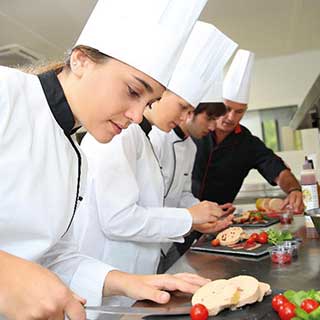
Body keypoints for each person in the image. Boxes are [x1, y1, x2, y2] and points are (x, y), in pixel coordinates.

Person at [0, 1, 210, 319]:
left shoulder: (76, 158)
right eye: (132, 91)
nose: (137, 115)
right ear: (81, 60)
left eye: (149, 101)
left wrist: (130, 282)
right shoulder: (6, 93)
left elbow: (55, 255)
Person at [73, 21, 237, 306]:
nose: (186, 118)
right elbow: (118, 220)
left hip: (138, 276)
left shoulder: (140, 136)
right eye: (183, 107)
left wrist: (199, 215)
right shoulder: (119, 134)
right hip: (108, 277)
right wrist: (190, 218)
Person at [192, 49, 304, 214]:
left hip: (218, 221)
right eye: (227, 108)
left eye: (239, 111)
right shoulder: (195, 130)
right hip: (181, 216)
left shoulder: (248, 143)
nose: (231, 117)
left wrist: (294, 189)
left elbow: (277, 169)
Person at [150, 78, 234, 273]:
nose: (213, 127)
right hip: (151, 237)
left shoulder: (190, 147)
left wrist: (208, 213)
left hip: (167, 242)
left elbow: (183, 194)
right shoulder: (156, 138)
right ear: (190, 113)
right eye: (209, 118)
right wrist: (191, 217)